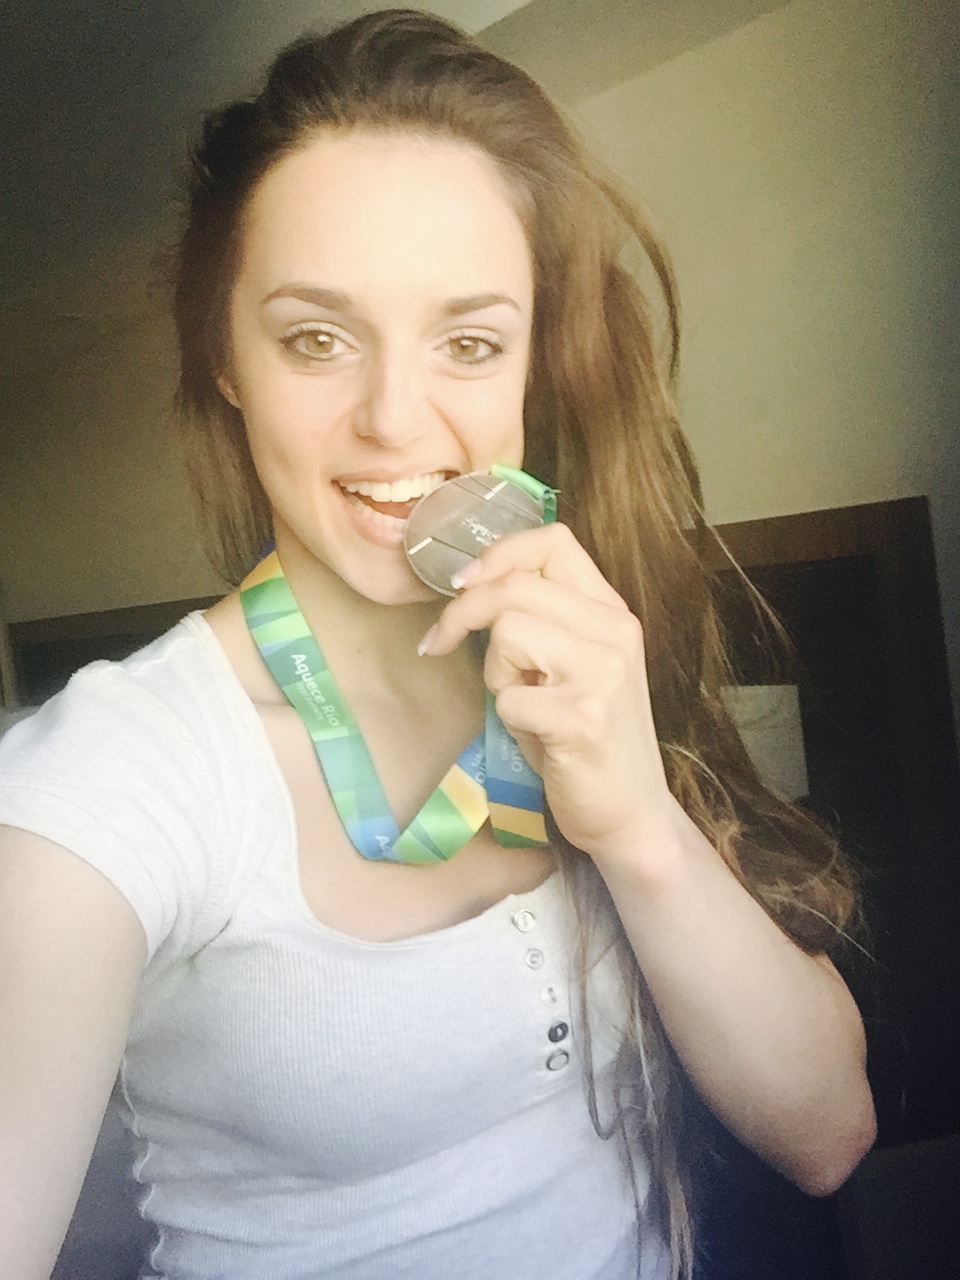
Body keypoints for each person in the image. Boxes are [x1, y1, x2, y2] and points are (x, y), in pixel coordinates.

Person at [0, 9, 875, 1280]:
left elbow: (829, 1133)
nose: (395, 418)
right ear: (225, 354)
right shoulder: (118, 775)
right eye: (317, 337)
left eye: (469, 342)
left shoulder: (571, 651)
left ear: (531, 367)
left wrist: (637, 820)